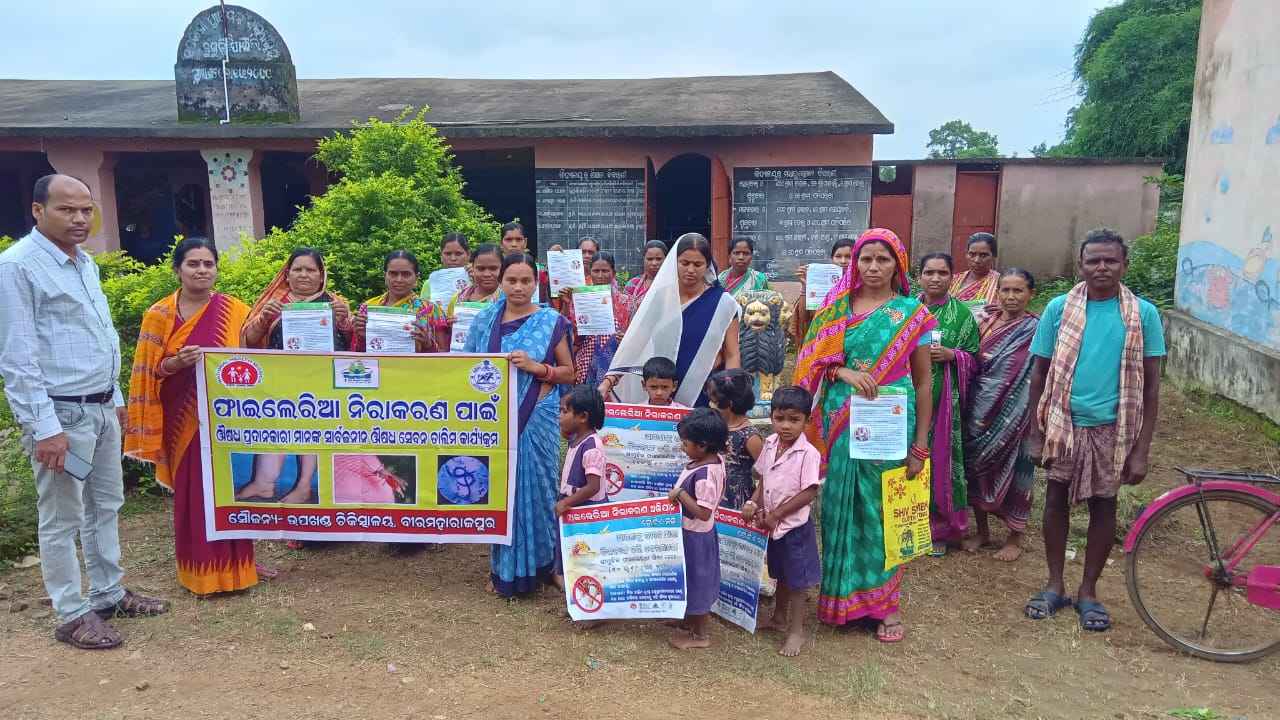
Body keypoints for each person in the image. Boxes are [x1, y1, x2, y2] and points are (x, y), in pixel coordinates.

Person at [0, 174, 169, 650]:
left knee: (106, 504)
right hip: (61, 415)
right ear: (38, 210)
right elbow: (17, 357)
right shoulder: (17, 267)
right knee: (61, 516)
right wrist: (44, 428)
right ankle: (72, 613)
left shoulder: (84, 262)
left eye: (85, 210)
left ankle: (108, 592)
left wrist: (116, 401)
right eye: (66, 209)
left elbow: (98, 336)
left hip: (99, 407)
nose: (79, 219)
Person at [793, 227, 935, 643]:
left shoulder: (911, 313)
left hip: (891, 426)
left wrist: (920, 444)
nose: (873, 267)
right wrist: (843, 371)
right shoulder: (836, 308)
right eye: (866, 259)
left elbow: (924, 382)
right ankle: (840, 600)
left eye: (883, 259)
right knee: (839, 506)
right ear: (855, 263)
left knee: (880, 509)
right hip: (841, 422)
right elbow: (812, 361)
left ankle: (885, 605)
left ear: (898, 265)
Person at [1024, 229, 1165, 632]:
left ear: (1124, 265)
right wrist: (1035, 432)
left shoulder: (1143, 315)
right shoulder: (1058, 309)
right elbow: (1039, 373)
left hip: (1113, 427)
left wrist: (1141, 450)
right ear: (1081, 265)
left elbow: (1151, 387)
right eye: (1093, 260)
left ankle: (1088, 591)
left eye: (1110, 260)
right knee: (1055, 500)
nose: (1102, 267)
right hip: (1063, 423)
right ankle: (1055, 584)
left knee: (1104, 505)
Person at [124, 237, 270, 596]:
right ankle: (200, 573)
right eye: (193, 263)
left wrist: (263, 324)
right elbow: (148, 370)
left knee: (228, 489)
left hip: (225, 418)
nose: (202, 270)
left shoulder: (234, 309)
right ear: (178, 269)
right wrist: (176, 362)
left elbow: (253, 354)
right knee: (194, 492)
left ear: (216, 269)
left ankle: (238, 569)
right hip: (181, 420)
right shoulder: (160, 314)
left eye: (208, 264)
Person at [464, 253, 574, 596]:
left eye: (526, 281)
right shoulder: (484, 320)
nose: (518, 287)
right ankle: (505, 569)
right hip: (496, 418)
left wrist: (537, 367)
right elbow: (466, 368)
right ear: (501, 281)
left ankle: (549, 565)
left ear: (536, 283)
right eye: (511, 280)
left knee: (541, 490)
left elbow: (569, 373)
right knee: (504, 492)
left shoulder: (550, 321)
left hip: (538, 416)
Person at [601, 233, 740, 407]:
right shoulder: (660, 298)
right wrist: (609, 381)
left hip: (705, 392)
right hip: (660, 393)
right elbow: (636, 342)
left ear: (707, 266)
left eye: (697, 264)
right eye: (684, 263)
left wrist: (731, 393)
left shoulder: (723, 304)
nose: (691, 270)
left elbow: (732, 354)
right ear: (674, 263)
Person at [963, 269, 1040, 562]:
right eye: (1005, 290)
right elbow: (969, 356)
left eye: (1018, 291)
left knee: (1020, 470)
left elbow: (1043, 370)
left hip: (1018, 412)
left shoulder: (1037, 329)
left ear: (1030, 294)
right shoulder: (983, 320)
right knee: (977, 466)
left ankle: (1014, 536)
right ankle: (982, 531)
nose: (1010, 297)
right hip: (980, 407)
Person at [741, 386, 822, 657]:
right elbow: (764, 478)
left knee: (797, 580)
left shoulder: (808, 454)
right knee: (781, 574)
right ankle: (778, 617)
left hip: (793, 527)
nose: (785, 425)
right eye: (779, 418)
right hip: (772, 526)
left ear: (806, 420)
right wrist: (753, 503)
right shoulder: (771, 444)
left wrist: (776, 515)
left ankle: (796, 631)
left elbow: (809, 492)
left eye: (794, 420)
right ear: (772, 417)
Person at [917, 253, 980, 554]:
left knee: (939, 461)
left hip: (943, 403)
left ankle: (939, 529)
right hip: (907, 398)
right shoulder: (907, 310)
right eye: (929, 272)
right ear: (919, 276)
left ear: (952, 277)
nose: (935, 278)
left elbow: (976, 358)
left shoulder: (962, 315)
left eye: (942, 273)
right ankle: (905, 524)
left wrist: (953, 355)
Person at [667, 407, 728, 650]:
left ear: (702, 446)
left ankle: (700, 634)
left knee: (698, 580)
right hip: (688, 531)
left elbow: (703, 512)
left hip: (696, 535)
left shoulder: (705, 474)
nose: (682, 447)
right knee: (688, 576)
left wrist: (681, 494)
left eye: (685, 443)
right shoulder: (706, 461)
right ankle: (687, 619)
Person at [240, 247, 353, 352]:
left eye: (310, 270)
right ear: (287, 275)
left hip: (327, 365)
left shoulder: (335, 303)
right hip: (281, 365)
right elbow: (249, 341)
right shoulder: (274, 303)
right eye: (297, 270)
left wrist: (343, 322)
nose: (303, 275)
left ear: (322, 276)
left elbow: (354, 344)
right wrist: (263, 319)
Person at [552, 385, 609, 589]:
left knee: (585, 551)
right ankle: (568, 582)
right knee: (570, 547)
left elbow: (593, 486)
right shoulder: (578, 438)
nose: (559, 415)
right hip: (574, 505)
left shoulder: (592, 447)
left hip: (586, 508)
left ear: (583, 416)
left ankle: (583, 589)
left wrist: (566, 502)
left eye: (564, 412)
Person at [563, 252, 631, 386]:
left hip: (616, 364)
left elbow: (634, 335)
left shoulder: (626, 302)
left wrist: (624, 338)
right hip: (586, 362)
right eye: (596, 271)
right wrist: (567, 304)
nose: (600, 275)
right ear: (590, 273)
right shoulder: (580, 300)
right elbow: (570, 334)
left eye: (605, 271)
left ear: (613, 273)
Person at [352, 250, 441, 353]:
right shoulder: (368, 308)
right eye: (393, 274)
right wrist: (361, 337)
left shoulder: (430, 310)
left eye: (406, 274)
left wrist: (428, 345)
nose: (399, 280)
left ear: (416, 278)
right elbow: (356, 354)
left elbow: (447, 353)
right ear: (385, 276)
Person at [706, 369, 763, 510]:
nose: (710, 405)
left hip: (739, 504)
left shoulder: (750, 437)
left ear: (729, 404)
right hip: (713, 496)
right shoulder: (716, 427)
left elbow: (767, 474)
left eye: (714, 402)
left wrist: (753, 503)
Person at [435, 243, 503, 351]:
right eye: (480, 269)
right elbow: (447, 339)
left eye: (493, 268)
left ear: (503, 269)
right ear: (472, 269)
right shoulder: (458, 299)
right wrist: (452, 326)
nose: (486, 274)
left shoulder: (506, 299)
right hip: (461, 356)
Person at [792, 238, 857, 339]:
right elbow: (804, 318)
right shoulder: (822, 283)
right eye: (838, 256)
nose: (843, 261)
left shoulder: (862, 285)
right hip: (823, 340)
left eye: (849, 257)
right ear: (832, 259)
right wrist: (806, 287)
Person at [498, 221, 550, 303]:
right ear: (501, 243)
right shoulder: (494, 272)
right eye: (509, 240)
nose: (514, 244)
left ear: (525, 242)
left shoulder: (539, 272)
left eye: (518, 239)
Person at [949, 232, 1001, 313]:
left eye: (983, 255)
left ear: (994, 256)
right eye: (972, 254)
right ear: (966, 254)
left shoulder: (999, 282)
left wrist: (1005, 309)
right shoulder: (954, 280)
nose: (977, 260)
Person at [420, 232, 470, 301]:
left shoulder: (477, 279)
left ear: (468, 255)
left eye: (458, 254)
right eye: (448, 254)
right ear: (441, 256)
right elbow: (424, 306)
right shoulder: (430, 283)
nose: (453, 258)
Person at [623, 240, 667, 315]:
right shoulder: (633, 284)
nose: (654, 263)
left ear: (666, 259)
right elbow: (623, 311)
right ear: (644, 259)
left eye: (658, 259)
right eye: (650, 259)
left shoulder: (672, 284)